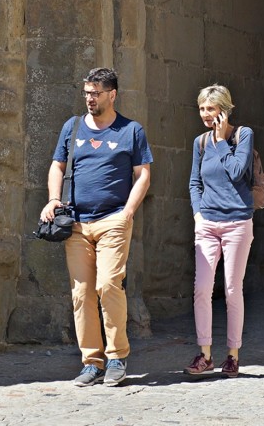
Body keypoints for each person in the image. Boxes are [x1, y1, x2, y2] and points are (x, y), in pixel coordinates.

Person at [40, 67, 153, 387]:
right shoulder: (72, 127)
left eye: (96, 93)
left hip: (113, 220)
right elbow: (57, 166)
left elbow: (143, 174)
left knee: (107, 285)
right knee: (81, 293)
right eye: (87, 93)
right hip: (75, 222)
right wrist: (53, 199)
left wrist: (128, 212)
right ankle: (92, 362)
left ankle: (117, 356)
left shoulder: (131, 130)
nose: (90, 98)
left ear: (112, 94)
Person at [186, 84, 255, 378]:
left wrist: (221, 139)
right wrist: (198, 214)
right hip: (208, 223)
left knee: (231, 289)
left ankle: (233, 355)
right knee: (201, 289)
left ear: (224, 110)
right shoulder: (200, 143)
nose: (205, 114)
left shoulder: (243, 136)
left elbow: (238, 171)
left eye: (211, 108)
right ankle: (205, 354)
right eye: (202, 108)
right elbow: (194, 183)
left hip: (238, 223)